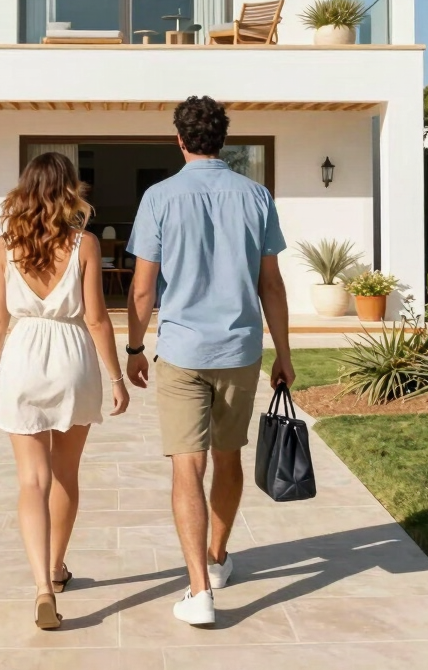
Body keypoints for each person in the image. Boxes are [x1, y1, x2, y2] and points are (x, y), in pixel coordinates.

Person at [125, 96, 295, 626]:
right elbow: (271, 283)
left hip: (180, 350)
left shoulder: (159, 197)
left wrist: (133, 348)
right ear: (224, 140)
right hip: (240, 349)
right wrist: (284, 354)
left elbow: (143, 286)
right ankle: (217, 559)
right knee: (227, 457)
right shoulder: (256, 195)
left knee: (186, 466)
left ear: (179, 139)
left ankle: (199, 590)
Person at [0, 152, 130, 631]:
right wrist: (116, 376)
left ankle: (43, 589)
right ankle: (56, 567)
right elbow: (96, 318)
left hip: (22, 357)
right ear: (70, 188)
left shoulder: (7, 244)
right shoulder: (84, 243)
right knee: (66, 473)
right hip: (71, 357)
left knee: (32, 480)